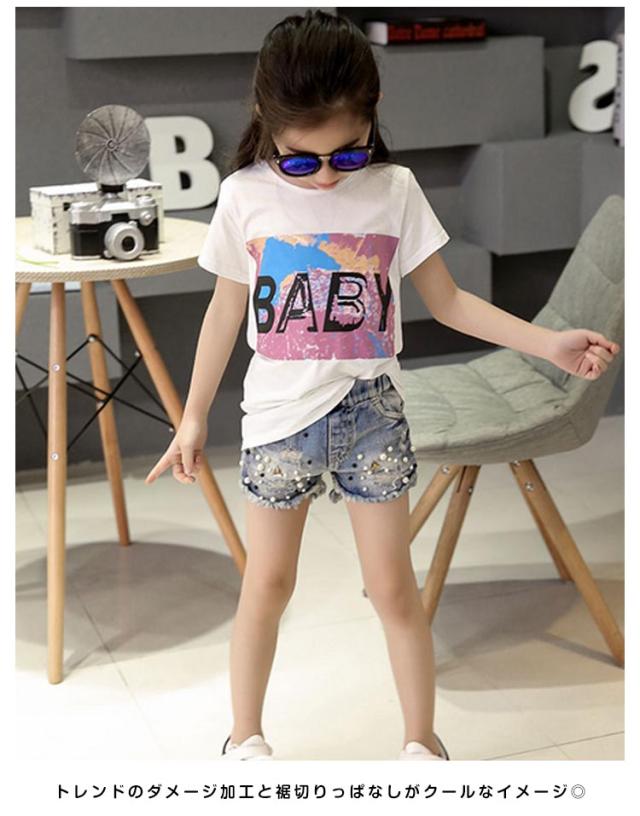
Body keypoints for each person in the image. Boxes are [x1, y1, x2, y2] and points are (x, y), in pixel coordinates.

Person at [144, 10, 620, 761]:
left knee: (394, 589)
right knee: (267, 586)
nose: (327, 176)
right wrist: (194, 416)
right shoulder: (243, 196)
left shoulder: (394, 190)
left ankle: (422, 745)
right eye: (302, 162)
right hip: (278, 423)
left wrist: (548, 344)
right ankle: (244, 740)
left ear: (372, 117)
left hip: (372, 418)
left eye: (347, 153)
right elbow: (224, 313)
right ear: (266, 122)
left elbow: (450, 302)